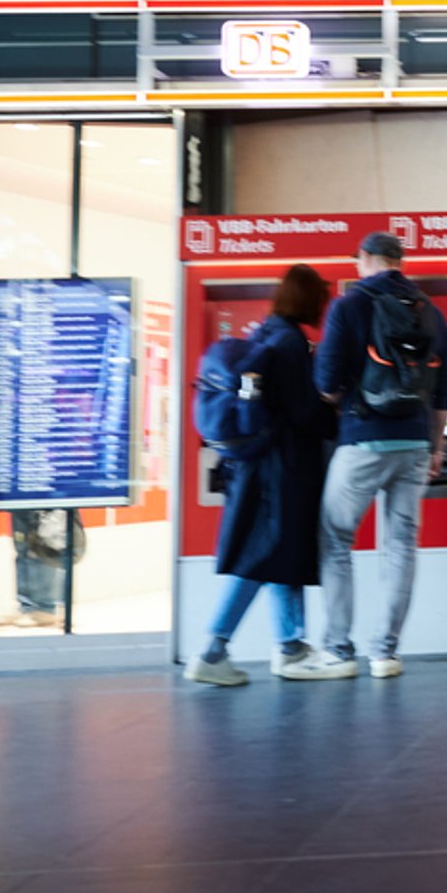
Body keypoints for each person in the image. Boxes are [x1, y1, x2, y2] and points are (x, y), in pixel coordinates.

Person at [282, 231, 447, 680]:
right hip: (416, 443)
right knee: (400, 545)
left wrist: (344, 399)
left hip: (363, 440)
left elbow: (327, 383)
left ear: (364, 259)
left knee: (336, 538)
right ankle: (385, 653)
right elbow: (442, 392)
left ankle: (338, 650)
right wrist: (435, 447)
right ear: (399, 261)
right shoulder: (430, 310)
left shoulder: (350, 304)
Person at [186, 265, 336, 686]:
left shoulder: (267, 332)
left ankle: (291, 647)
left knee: (279, 553)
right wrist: (339, 417)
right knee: (260, 558)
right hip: (282, 469)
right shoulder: (290, 343)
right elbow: (304, 411)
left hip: (260, 466)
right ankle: (213, 650)